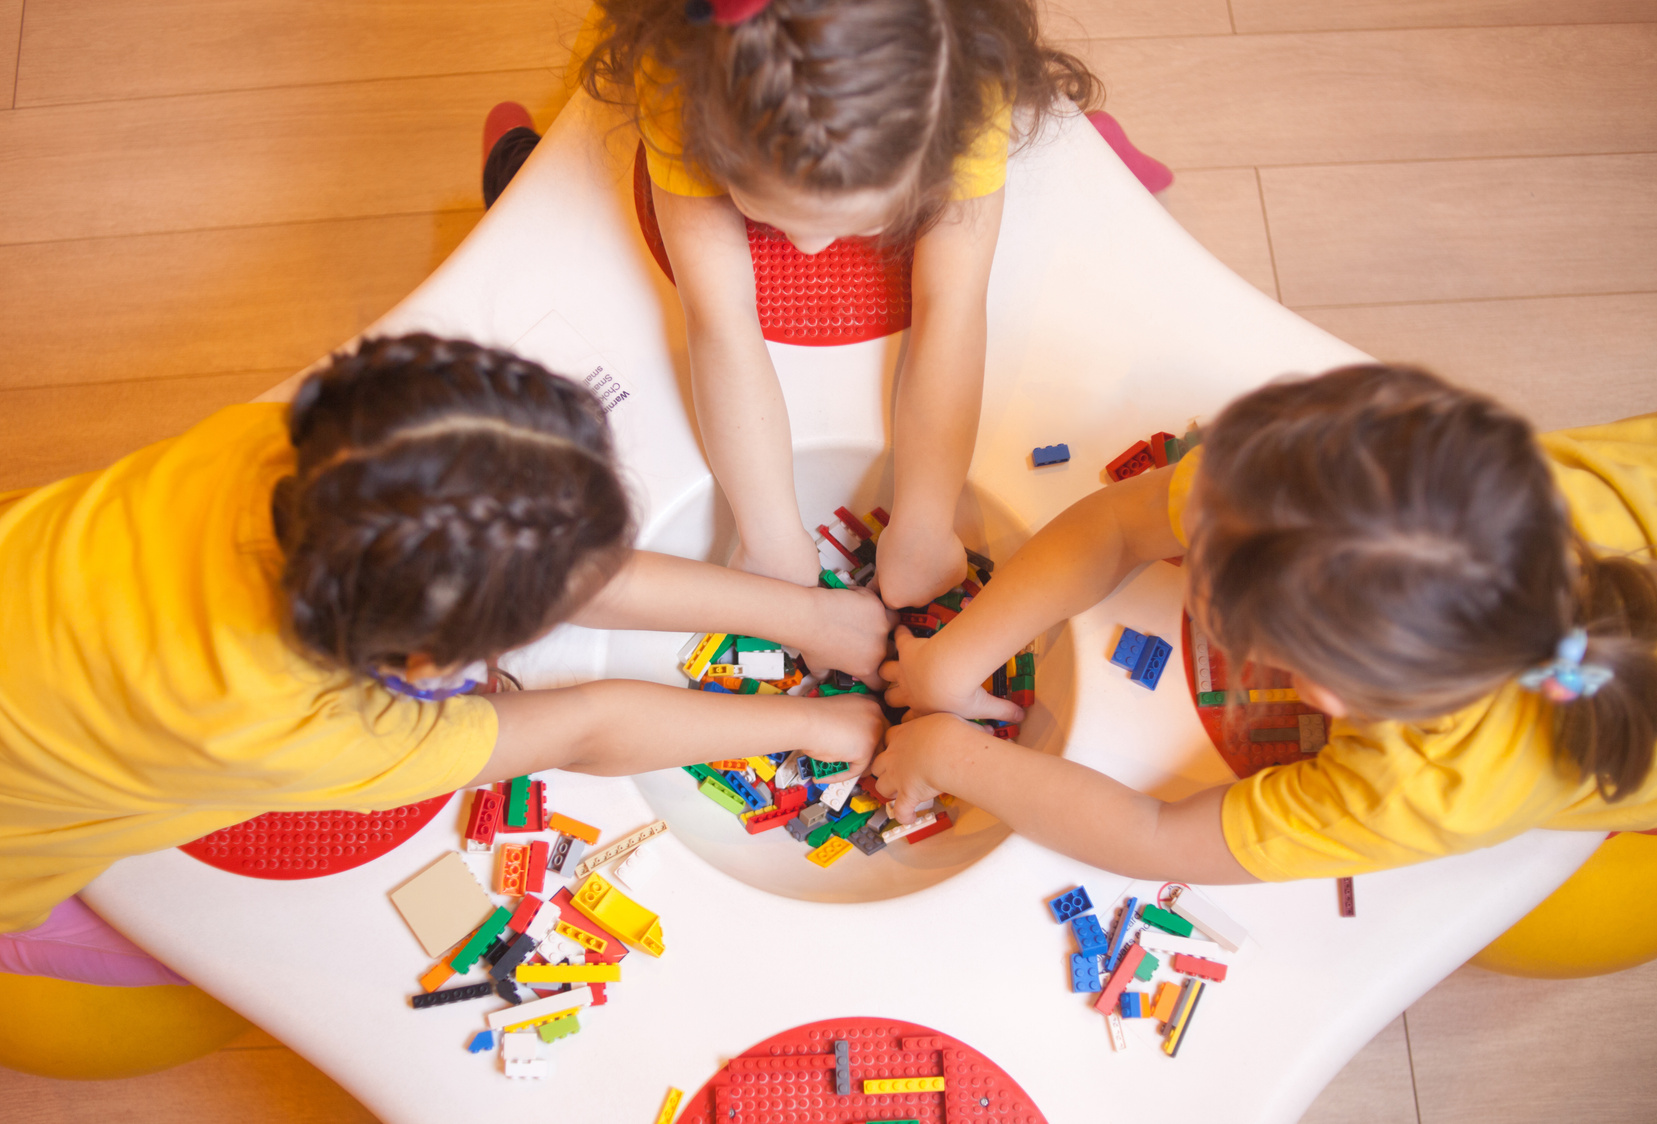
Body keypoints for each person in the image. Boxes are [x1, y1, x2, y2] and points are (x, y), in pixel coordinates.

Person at [0, 334, 890, 973]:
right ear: (424, 673)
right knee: (180, 959)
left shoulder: (307, 456)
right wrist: (809, 722)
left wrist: (808, 618)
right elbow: (581, 729)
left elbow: (570, 572)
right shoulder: (285, 723)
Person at [872, 364, 1657, 884]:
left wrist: (950, 755)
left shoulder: (1423, 791)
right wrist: (950, 662)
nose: (1174, 510)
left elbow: (1158, 839)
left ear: (1319, 690)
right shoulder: (1428, 491)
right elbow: (1121, 522)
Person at [485, 0, 1098, 609]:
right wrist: (768, 536)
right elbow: (718, 317)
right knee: (548, 202)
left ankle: (1107, 146)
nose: (810, 248)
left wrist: (926, 524)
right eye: (771, 211)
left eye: (860, 223)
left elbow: (955, 303)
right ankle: (517, 158)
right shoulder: (684, 79)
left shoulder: (965, 87)